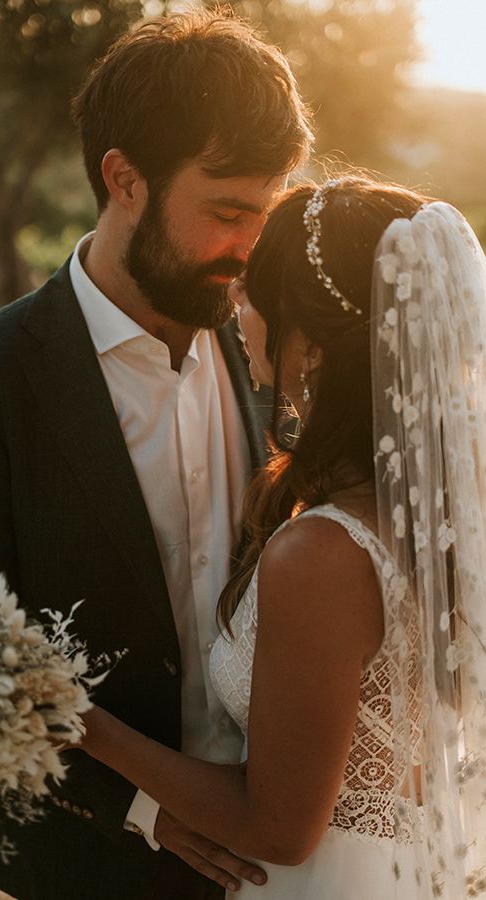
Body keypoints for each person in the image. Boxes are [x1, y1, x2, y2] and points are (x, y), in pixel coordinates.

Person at [0, 9, 312, 900]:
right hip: (92, 864)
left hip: (283, 860)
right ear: (124, 178)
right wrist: (146, 809)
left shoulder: (276, 346)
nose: (251, 247)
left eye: (267, 212)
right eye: (225, 212)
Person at [72, 175, 486, 899]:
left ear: (314, 346)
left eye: (255, 288)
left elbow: (278, 829)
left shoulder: (324, 554)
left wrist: (78, 722)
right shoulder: (440, 513)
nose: (236, 301)